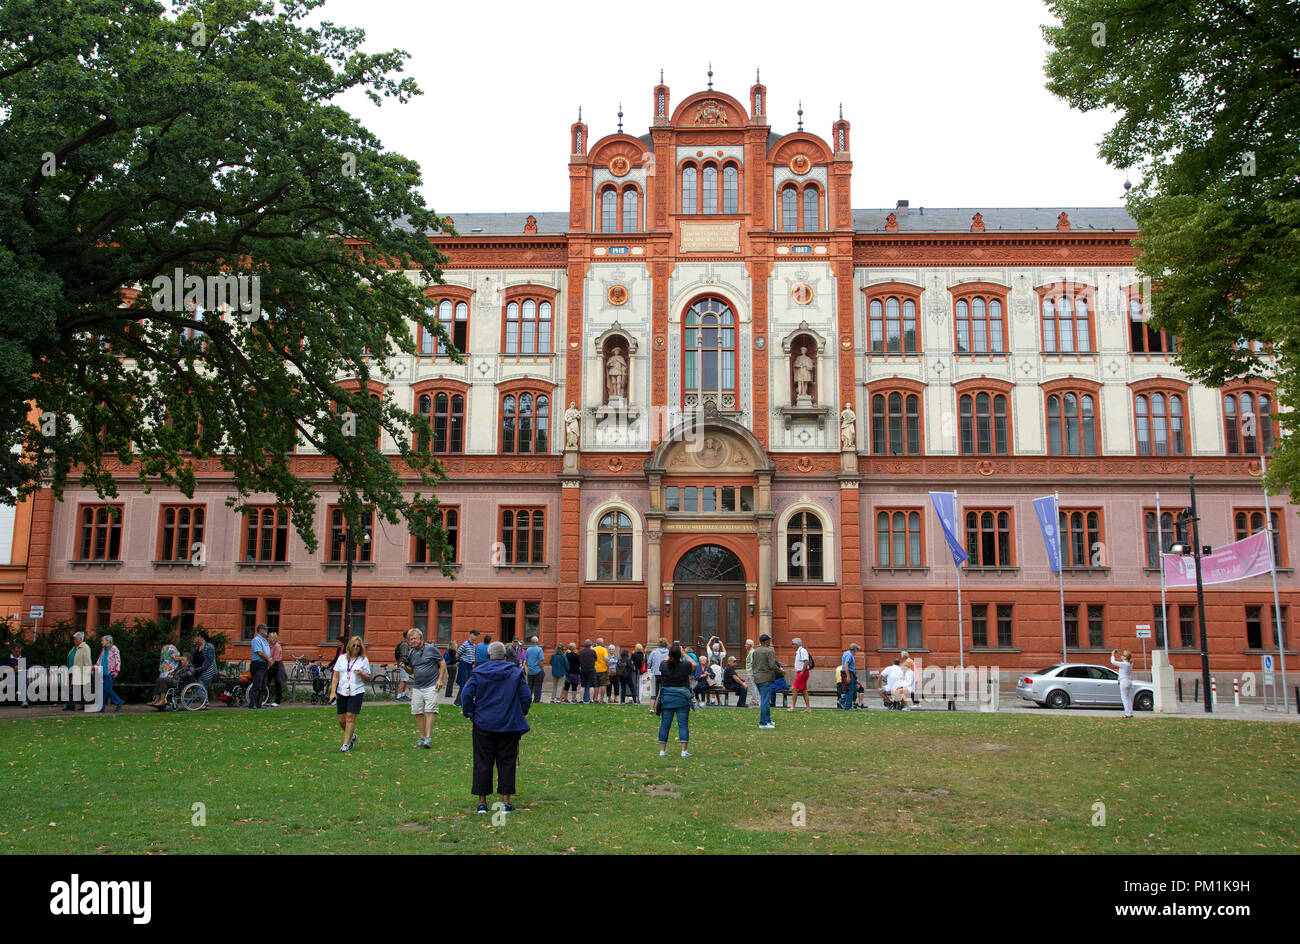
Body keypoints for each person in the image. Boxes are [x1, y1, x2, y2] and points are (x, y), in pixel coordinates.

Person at [461, 641, 531, 814]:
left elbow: (466, 694)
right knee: (507, 761)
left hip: (483, 723)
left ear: (489, 656)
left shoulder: (478, 673)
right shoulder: (515, 673)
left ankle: (482, 802)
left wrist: (470, 713)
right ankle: (505, 802)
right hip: (508, 724)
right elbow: (526, 696)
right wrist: (520, 712)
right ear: (505, 657)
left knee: (482, 761)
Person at [328, 635, 371, 752]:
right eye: (354, 645)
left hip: (356, 691)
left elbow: (368, 678)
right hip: (342, 690)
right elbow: (336, 676)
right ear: (349, 646)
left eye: (358, 646)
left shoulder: (363, 660)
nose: (356, 647)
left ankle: (346, 745)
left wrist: (361, 673)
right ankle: (352, 736)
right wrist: (333, 692)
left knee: (350, 717)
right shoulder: (342, 658)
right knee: (341, 719)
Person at [406, 628, 446, 747]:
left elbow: (442, 662)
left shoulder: (431, 649)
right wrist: (404, 667)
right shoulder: (412, 653)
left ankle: (428, 738)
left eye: (415, 638)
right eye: (411, 639)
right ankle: (422, 737)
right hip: (417, 686)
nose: (413, 641)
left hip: (431, 685)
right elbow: (412, 671)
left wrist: (440, 679)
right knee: (418, 712)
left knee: (430, 710)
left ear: (421, 638)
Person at [655, 644, 694, 758]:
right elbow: (694, 665)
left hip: (667, 697)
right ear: (679, 655)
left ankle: (662, 751)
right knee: (683, 724)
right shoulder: (685, 665)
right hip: (682, 698)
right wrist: (684, 653)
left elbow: (663, 662)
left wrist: (670, 654)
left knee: (665, 724)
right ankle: (683, 751)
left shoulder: (664, 665)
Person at [751, 634, 779, 729]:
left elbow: (753, 664)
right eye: (769, 640)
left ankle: (768, 720)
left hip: (757, 678)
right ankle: (763, 723)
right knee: (764, 701)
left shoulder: (755, 651)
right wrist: (780, 671)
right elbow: (772, 665)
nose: (770, 642)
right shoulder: (769, 651)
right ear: (766, 641)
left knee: (765, 700)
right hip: (766, 678)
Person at [149, 636, 182, 707]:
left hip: (163, 668)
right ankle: (163, 700)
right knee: (165, 684)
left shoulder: (164, 647)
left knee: (160, 681)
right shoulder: (172, 647)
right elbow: (175, 658)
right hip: (170, 669)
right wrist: (183, 658)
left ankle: (157, 699)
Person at [64, 632, 92, 711]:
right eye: (74, 639)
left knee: (73, 689)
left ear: (80, 639)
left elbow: (87, 660)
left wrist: (89, 669)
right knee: (77, 689)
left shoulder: (85, 648)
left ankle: (71, 706)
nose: (74, 640)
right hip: (71, 671)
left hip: (79, 671)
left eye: (75, 639)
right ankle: (85, 704)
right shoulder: (74, 647)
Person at [248, 623, 272, 710]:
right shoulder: (256, 640)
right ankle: (252, 704)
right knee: (257, 685)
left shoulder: (265, 641)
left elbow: (267, 652)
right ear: (261, 630)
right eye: (265, 629)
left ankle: (259, 704)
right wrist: (268, 659)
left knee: (263, 685)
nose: (266, 631)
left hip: (264, 664)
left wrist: (269, 661)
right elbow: (259, 652)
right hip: (258, 664)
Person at [98, 635, 123, 713]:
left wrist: (117, 670)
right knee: (102, 690)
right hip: (103, 672)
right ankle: (101, 707)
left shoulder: (114, 648)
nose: (101, 642)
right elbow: (100, 659)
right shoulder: (103, 649)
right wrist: (94, 667)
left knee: (106, 689)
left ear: (108, 641)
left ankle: (118, 701)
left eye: (102, 641)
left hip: (110, 672)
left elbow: (118, 659)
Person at [453, 631, 479, 706]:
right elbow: (457, 655)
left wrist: (473, 663)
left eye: (477, 635)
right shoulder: (465, 644)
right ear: (470, 635)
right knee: (463, 684)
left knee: (467, 684)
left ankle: (462, 701)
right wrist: (460, 662)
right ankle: (458, 702)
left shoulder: (474, 645)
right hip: (464, 665)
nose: (476, 637)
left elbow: (473, 656)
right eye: (475, 635)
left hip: (470, 666)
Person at [789, 637, 812, 713]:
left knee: (794, 688)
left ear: (797, 644)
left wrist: (802, 672)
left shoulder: (802, 651)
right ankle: (808, 708)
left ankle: (793, 707)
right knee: (804, 691)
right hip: (802, 672)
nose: (792, 646)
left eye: (793, 644)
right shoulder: (799, 651)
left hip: (803, 672)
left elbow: (806, 661)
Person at [192, 630, 217, 696]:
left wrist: (200, 669)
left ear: (202, 637)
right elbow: (194, 659)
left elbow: (209, 661)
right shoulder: (197, 647)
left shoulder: (209, 646)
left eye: (198, 637)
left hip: (208, 669)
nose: (196, 638)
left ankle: (205, 702)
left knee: (200, 683)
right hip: (198, 669)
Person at [1111, 649, 1135, 718]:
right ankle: (1130, 713)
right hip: (1129, 681)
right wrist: (1119, 653)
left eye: (1124, 656)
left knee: (1124, 698)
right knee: (1128, 698)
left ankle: (1127, 713)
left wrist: (1113, 655)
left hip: (1123, 681)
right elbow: (1124, 658)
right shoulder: (1130, 663)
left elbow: (1113, 662)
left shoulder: (1123, 664)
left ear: (1125, 657)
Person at [266, 631, 285, 707]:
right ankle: (266, 699)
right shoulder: (269, 645)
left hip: (277, 665)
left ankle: (278, 701)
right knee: (266, 682)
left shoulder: (277, 646)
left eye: (269, 637)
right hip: (271, 664)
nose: (268, 638)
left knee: (278, 683)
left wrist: (269, 666)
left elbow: (275, 658)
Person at [524, 635, 545, 705]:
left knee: (530, 686)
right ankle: (536, 700)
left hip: (530, 670)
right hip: (537, 670)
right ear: (537, 641)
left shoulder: (528, 649)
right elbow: (540, 661)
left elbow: (526, 661)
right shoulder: (539, 649)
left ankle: (528, 699)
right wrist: (542, 670)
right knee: (537, 686)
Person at [839, 643, 860, 711]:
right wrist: (848, 676)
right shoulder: (849, 655)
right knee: (850, 690)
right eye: (857, 650)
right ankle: (847, 707)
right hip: (848, 673)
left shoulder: (846, 653)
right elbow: (846, 664)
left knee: (854, 689)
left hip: (850, 673)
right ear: (854, 650)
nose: (857, 652)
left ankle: (842, 700)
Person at [394, 632, 412, 702]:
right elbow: (404, 656)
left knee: (405, 680)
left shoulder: (406, 643)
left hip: (405, 664)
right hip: (404, 664)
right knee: (403, 680)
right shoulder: (404, 644)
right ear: (406, 636)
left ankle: (403, 695)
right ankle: (399, 696)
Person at [592, 638, 609, 703]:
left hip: (595, 669)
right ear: (601, 643)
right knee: (603, 685)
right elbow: (606, 659)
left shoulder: (593, 649)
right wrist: (608, 668)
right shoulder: (604, 649)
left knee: (596, 685)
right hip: (603, 669)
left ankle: (596, 698)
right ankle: (601, 699)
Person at [744, 639, 758, 709]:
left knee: (753, 687)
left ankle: (754, 701)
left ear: (749, 645)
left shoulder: (752, 652)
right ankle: (754, 700)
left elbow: (753, 663)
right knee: (753, 687)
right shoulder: (751, 651)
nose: (745, 645)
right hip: (751, 672)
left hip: (751, 672)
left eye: (746, 644)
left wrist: (751, 672)